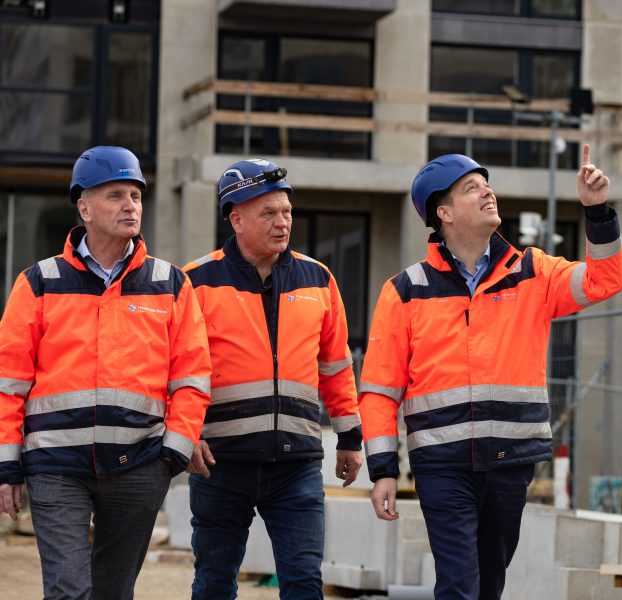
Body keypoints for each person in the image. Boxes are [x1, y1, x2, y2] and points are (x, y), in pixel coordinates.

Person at [359, 145, 622, 599]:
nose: (488, 193)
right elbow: (380, 391)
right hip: (442, 466)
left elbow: (606, 280)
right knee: (460, 585)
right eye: (471, 188)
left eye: (486, 185)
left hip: (510, 462)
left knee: (488, 587)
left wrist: (597, 211)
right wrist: (383, 469)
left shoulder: (532, 273)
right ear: (442, 212)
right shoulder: (405, 292)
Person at [0, 146, 212, 599]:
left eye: (135, 195)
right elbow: (8, 384)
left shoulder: (170, 283)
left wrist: (171, 455)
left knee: (115, 592)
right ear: (84, 207)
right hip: (56, 467)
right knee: (68, 590)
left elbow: (192, 376)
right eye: (115, 195)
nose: (130, 205)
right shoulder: (39, 282)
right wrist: (7, 466)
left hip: (139, 466)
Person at [183, 158, 363, 600]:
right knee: (213, 583)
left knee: (303, 583)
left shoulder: (318, 279)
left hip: (296, 463)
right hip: (220, 461)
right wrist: (185, 435)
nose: (283, 222)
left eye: (286, 212)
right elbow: (174, 370)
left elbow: (335, 366)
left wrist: (350, 438)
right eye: (269, 213)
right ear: (236, 218)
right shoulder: (194, 282)